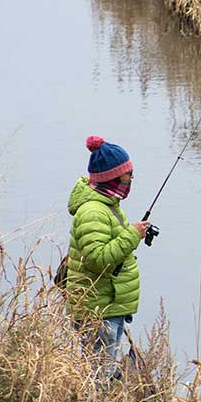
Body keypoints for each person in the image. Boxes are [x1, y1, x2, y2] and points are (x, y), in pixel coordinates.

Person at [65, 135, 150, 380]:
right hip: (97, 309)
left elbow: (109, 246)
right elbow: (98, 258)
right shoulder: (93, 211)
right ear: (111, 177)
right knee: (99, 377)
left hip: (108, 305)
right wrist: (131, 235)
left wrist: (132, 234)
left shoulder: (107, 205)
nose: (131, 179)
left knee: (106, 372)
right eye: (128, 175)